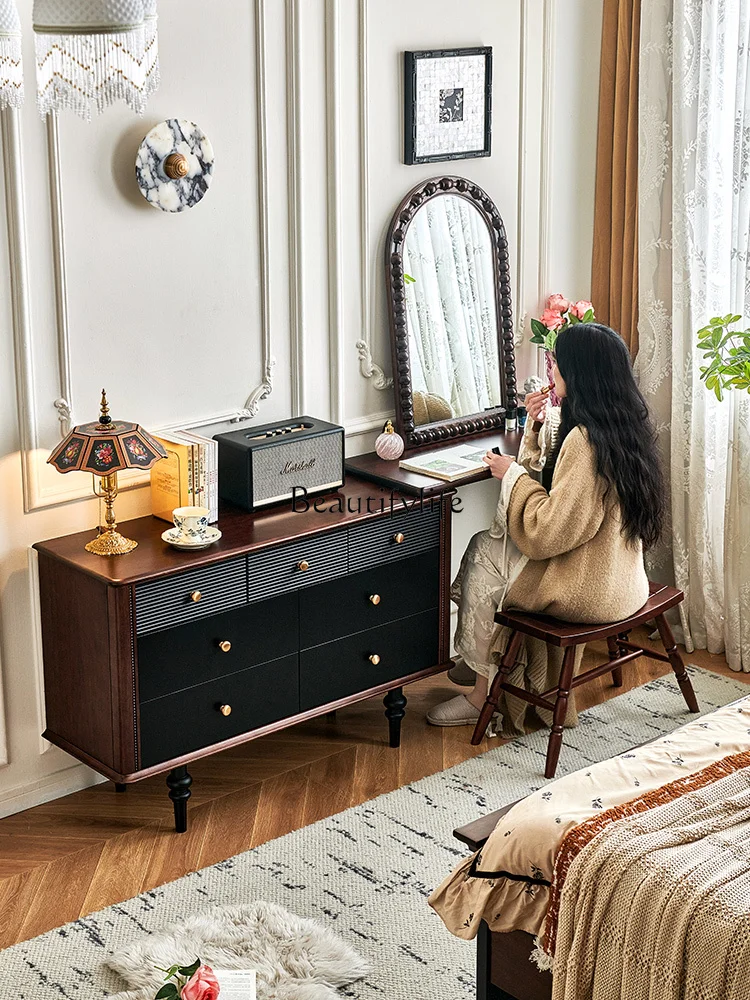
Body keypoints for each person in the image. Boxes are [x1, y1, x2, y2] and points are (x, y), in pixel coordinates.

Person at [427, 323, 664, 733]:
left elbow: (546, 533)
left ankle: (482, 690)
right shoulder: (623, 427)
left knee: (484, 553)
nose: (552, 370)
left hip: (588, 591)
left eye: (558, 364)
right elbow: (572, 494)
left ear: (579, 373)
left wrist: (512, 475)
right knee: (485, 547)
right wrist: (537, 425)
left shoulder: (587, 443)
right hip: (622, 581)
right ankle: (479, 660)